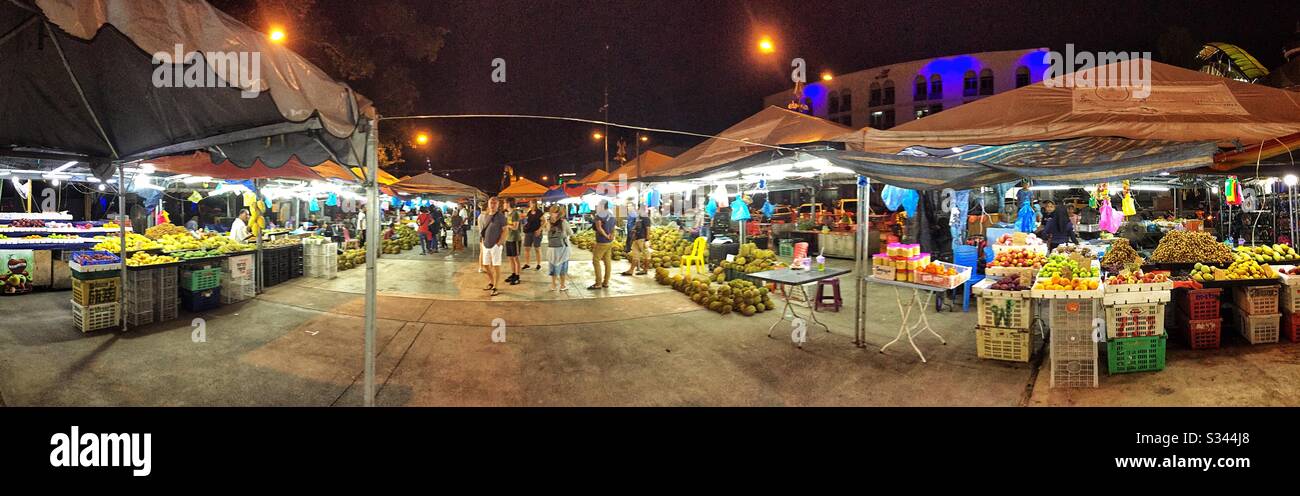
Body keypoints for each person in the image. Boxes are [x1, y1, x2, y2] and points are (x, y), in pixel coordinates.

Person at [479, 197, 507, 297]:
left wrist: (499, 243)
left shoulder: (500, 216)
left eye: (495, 203)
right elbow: (484, 229)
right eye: (491, 203)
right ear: (488, 204)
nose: (493, 205)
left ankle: (495, 287)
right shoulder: (486, 215)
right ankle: (491, 282)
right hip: (486, 244)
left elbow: (505, 230)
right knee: (485, 265)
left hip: (496, 245)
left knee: (496, 266)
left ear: (498, 205)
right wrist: (483, 240)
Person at [545, 204, 573, 291]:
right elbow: (571, 233)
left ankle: (554, 285)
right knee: (563, 267)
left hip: (553, 249)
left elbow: (547, 232)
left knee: (553, 266)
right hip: (562, 249)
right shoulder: (564, 222)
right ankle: (562, 285)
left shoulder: (549, 223)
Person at [589, 200, 615, 290]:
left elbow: (599, 228)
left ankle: (598, 283)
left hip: (602, 241)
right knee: (607, 262)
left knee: (596, 261)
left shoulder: (599, 215)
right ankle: (606, 282)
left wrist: (606, 236)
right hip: (609, 242)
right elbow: (613, 227)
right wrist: (611, 236)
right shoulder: (611, 214)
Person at [622, 203, 650, 276]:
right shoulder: (638, 217)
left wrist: (647, 239)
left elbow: (648, 228)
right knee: (635, 255)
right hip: (636, 238)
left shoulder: (645, 217)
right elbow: (636, 226)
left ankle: (645, 270)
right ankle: (631, 270)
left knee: (646, 255)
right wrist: (633, 230)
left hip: (642, 239)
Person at [521, 200, 545, 271]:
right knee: (527, 248)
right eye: (530, 204)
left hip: (536, 232)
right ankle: (527, 264)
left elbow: (544, 221)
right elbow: (527, 219)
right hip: (528, 232)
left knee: (537, 248)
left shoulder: (539, 212)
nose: (530, 205)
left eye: (531, 203)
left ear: (535, 204)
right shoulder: (529, 212)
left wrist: (539, 230)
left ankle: (539, 264)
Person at [504, 203, 523, 284]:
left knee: (515, 258)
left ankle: (517, 276)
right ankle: (513, 274)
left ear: (508, 204)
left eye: (505, 203)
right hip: (509, 238)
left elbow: (515, 227)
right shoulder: (509, 214)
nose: (504, 204)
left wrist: (507, 225)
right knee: (510, 257)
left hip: (515, 238)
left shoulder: (515, 213)